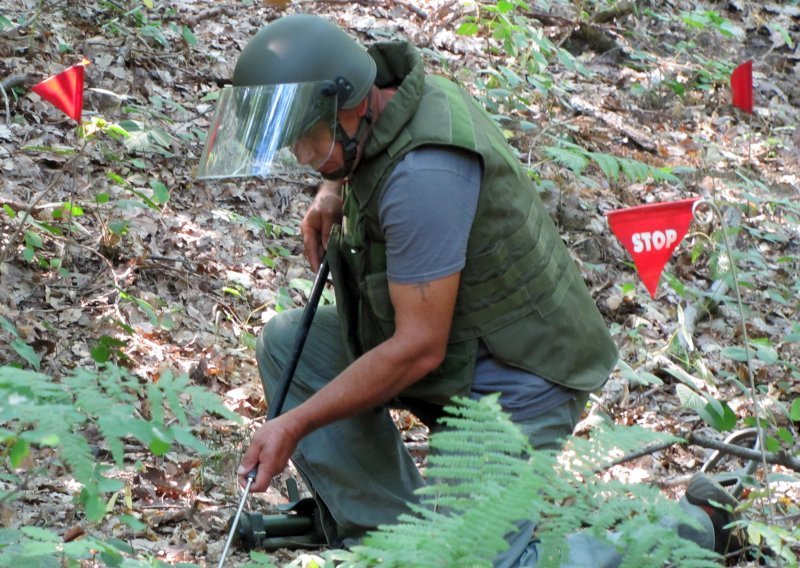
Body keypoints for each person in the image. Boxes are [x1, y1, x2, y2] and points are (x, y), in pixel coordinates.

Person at [197, 14, 735, 566]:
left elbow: (419, 347)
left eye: (309, 144)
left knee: (475, 561)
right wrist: (331, 186)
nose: (303, 158)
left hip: (520, 372)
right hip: (456, 344)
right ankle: (388, 541)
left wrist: (295, 421)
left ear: (352, 108)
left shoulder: (422, 178)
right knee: (292, 344)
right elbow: (365, 143)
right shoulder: (391, 102)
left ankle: (691, 528)